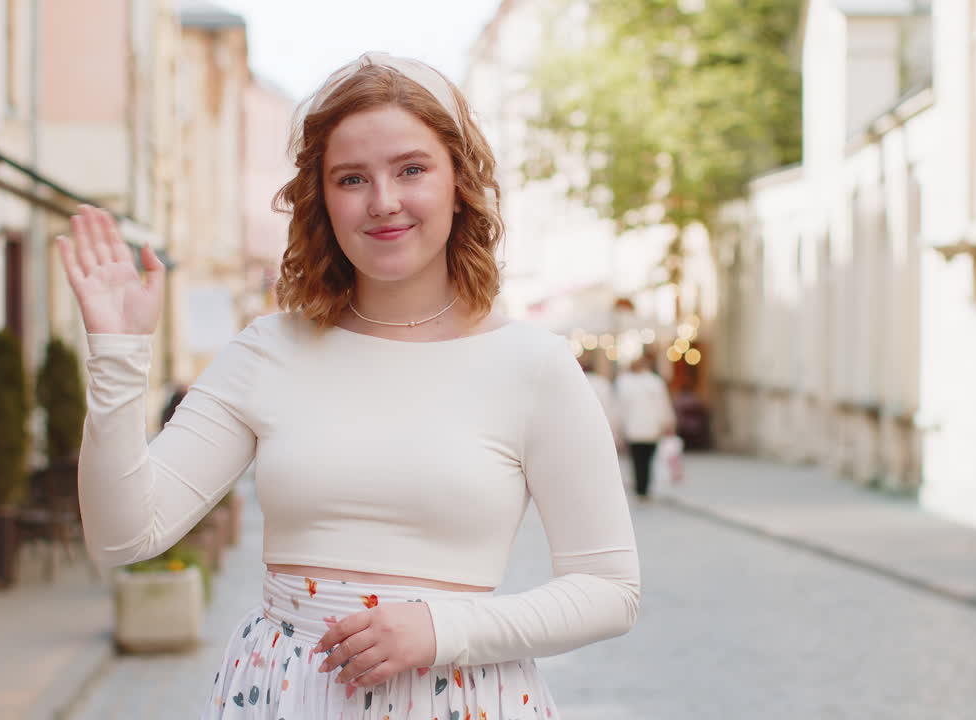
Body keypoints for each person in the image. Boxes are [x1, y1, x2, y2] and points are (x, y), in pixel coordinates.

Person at [57, 52, 639, 719]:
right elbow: (123, 535)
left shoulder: (534, 365)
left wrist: (442, 629)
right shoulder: (266, 350)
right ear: (320, 199)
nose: (383, 201)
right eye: (351, 178)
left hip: (460, 698)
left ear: (459, 181)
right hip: (286, 694)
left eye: (411, 169)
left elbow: (609, 589)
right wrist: (118, 354)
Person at [615, 352, 676, 501]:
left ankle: (640, 488)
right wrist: (667, 422)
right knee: (648, 458)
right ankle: (644, 488)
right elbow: (663, 405)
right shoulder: (655, 382)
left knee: (637, 459)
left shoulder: (624, 383)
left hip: (633, 428)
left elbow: (620, 408)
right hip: (651, 427)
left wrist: (619, 427)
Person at [578, 349, 621, 447]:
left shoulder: (576, 384)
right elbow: (610, 409)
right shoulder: (603, 383)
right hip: (600, 429)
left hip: (582, 430)